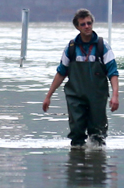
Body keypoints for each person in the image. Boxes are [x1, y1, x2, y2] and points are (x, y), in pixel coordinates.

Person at [43, 8, 119, 147]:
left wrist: (115, 95)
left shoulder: (103, 47)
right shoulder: (71, 48)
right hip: (75, 96)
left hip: (97, 96)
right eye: (83, 24)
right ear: (77, 27)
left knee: (97, 132)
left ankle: (97, 162)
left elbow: (113, 73)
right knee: (76, 130)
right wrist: (48, 96)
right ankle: (76, 161)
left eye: (89, 23)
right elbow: (61, 73)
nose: (87, 26)